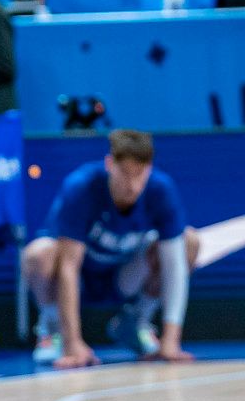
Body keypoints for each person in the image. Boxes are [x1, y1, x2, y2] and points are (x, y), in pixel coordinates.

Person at [23, 129, 199, 367]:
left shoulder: (161, 189)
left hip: (123, 278)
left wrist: (172, 339)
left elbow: (175, 266)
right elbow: (68, 267)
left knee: (188, 242)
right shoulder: (82, 186)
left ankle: (137, 323)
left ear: (150, 168)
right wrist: (72, 343)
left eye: (140, 174)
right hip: (80, 280)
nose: (132, 184)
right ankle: (53, 329)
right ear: (109, 164)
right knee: (38, 254)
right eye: (125, 173)